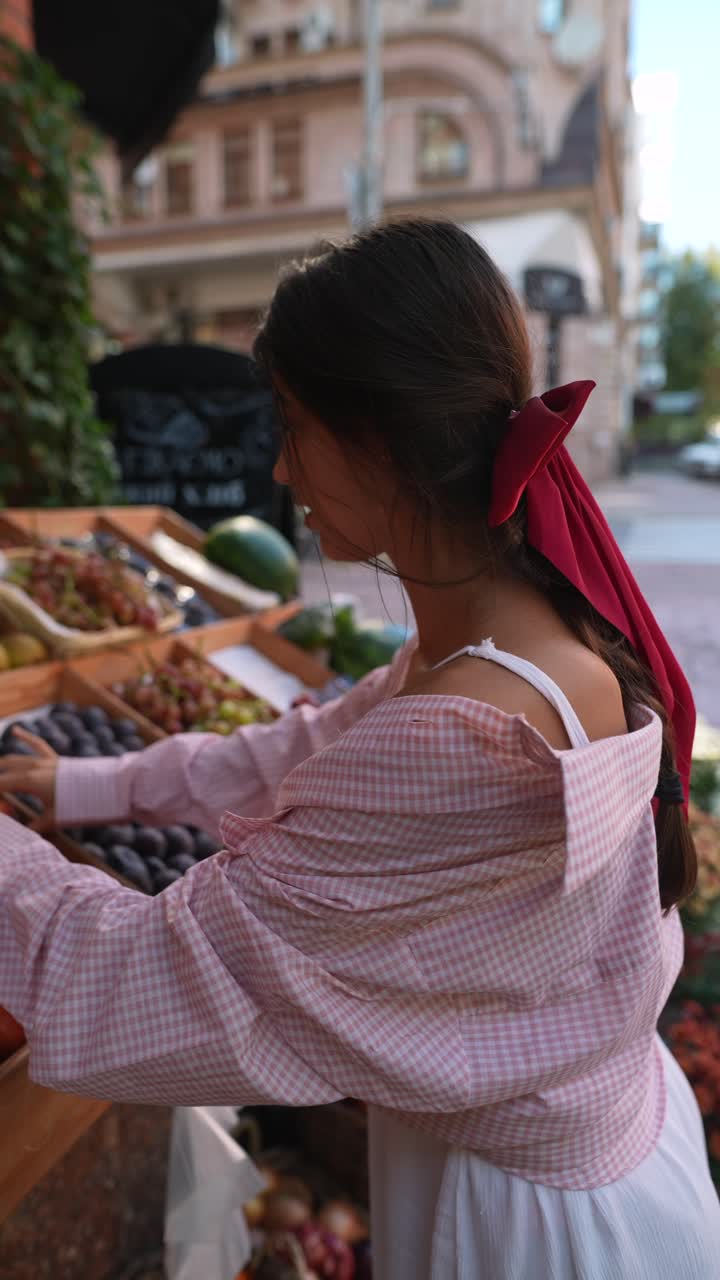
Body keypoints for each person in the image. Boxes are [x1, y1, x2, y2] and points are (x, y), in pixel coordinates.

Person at [1, 219, 719, 1279]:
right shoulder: (521, 626)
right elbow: (317, 741)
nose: (284, 466)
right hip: (606, 1155)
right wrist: (90, 782)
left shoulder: (466, 726)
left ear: (377, 437)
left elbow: (144, 971)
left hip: (533, 1232)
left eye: (293, 424)